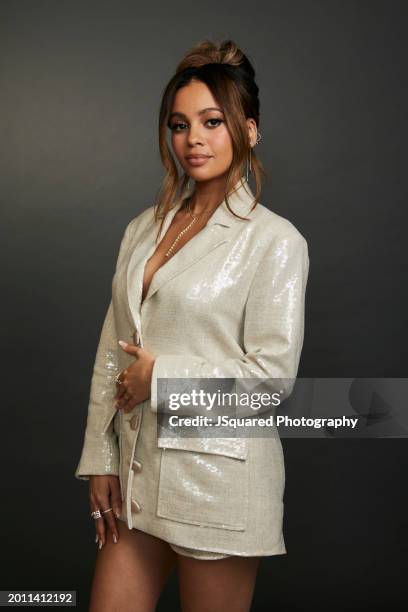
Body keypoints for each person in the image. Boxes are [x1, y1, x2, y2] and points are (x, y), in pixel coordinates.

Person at [75, 39, 310, 612]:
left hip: (220, 484)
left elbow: (271, 381)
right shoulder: (143, 229)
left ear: (249, 129)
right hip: (136, 472)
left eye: (212, 121)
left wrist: (161, 378)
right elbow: (113, 346)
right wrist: (99, 459)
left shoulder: (274, 241)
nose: (193, 139)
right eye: (180, 125)